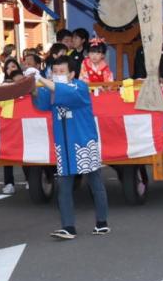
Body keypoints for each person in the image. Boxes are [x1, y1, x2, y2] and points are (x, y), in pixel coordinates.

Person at [32, 58, 109, 240]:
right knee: (64, 186)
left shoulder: (79, 87)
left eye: (61, 71)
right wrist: (32, 84)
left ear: (72, 74)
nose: (57, 75)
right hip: (64, 145)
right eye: (55, 71)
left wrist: (42, 80)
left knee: (95, 183)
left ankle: (102, 222)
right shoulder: (52, 90)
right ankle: (68, 227)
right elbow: (41, 101)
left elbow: (63, 91)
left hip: (83, 143)